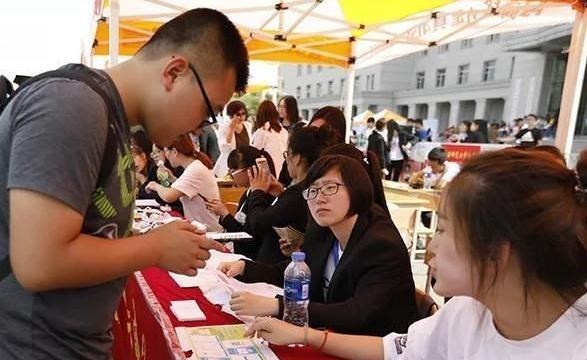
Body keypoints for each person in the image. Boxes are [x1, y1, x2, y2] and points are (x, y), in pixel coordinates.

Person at [0, 9, 248, 359]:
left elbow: (92, 234)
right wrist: (154, 248)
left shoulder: (107, 118)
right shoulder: (72, 105)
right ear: (174, 72)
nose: (198, 129)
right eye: (208, 110)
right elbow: (39, 261)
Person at [244, 148, 587, 360]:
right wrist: (303, 334)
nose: (430, 248)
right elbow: (395, 350)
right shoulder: (468, 313)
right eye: (314, 190)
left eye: (443, 230)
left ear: (497, 253)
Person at [220, 154, 417, 336]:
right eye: (312, 191)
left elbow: (357, 314)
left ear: (357, 188)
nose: (320, 198)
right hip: (331, 337)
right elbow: (296, 273)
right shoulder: (324, 230)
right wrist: (246, 268)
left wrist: (278, 306)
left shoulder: (380, 244)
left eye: (330, 187)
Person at [245, 126, 339, 263]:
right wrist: (281, 194)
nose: (286, 160)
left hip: (279, 273)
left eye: (287, 154)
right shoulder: (306, 190)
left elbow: (256, 224)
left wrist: (257, 192)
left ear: (297, 158)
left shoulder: (300, 193)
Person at [206, 145, 276, 259]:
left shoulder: (263, 197)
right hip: (240, 251)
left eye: (233, 171)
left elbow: (249, 236)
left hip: (252, 257)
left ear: (250, 170)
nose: (230, 175)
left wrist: (225, 215)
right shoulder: (248, 193)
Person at [146, 134, 221, 231]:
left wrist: (154, 185)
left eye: (166, 151)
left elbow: (169, 196)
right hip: (199, 226)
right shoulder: (194, 166)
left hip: (208, 230)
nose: (166, 156)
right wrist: (172, 178)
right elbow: (187, 190)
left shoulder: (195, 169)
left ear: (174, 152)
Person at [213, 100, 253, 177]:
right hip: (228, 164)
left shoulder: (248, 126)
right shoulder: (224, 127)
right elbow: (224, 148)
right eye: (238, 114)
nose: (241, 117)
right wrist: (231, 129)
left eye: (243, 114)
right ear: (231, 115)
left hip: (244, 165)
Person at [251, 100, 289, 176]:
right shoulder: (284, 131)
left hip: (270, 174)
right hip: (285, 174)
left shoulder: (262, 132)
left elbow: (253, 154)